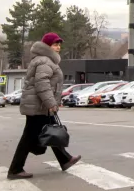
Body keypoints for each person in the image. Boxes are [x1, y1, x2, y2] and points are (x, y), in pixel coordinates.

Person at [7, 32, 81, 179]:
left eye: (59, 44)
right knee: (29, 137)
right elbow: (42, 84)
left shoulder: (46, 60)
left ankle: (65, 159)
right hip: (38, 106)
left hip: (41, 105)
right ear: (47, 46)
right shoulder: (44, 61)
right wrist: (51, 103)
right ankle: (15, 169)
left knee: (52, 130)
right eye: (55, 44)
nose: (58, 47)